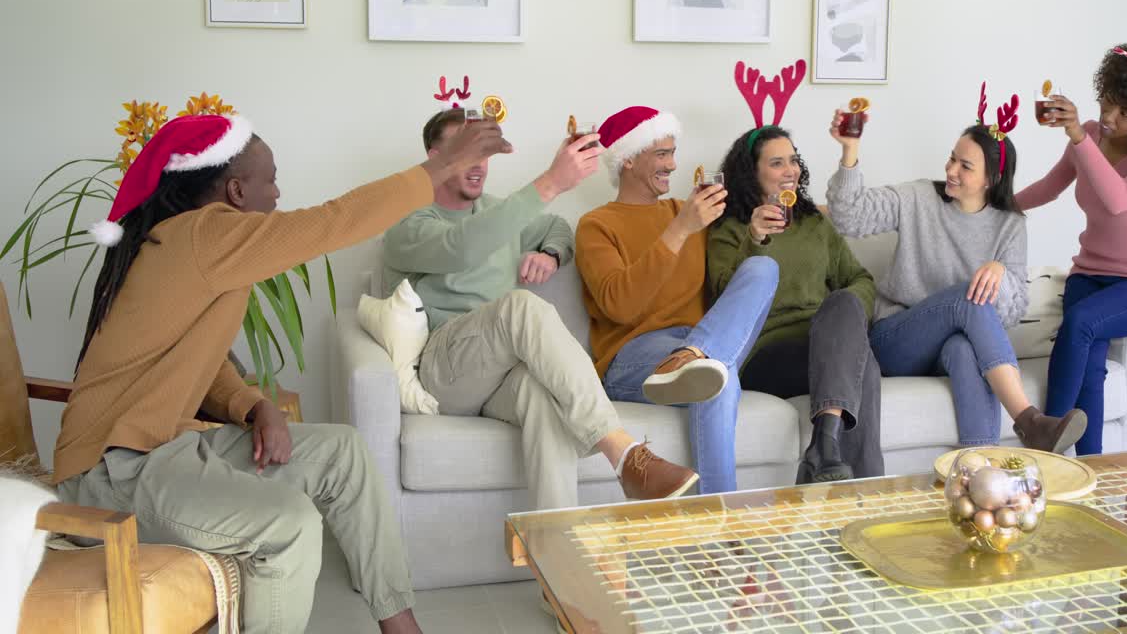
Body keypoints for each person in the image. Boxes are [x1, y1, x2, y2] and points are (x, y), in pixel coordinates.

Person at [58, 112, 511, 634]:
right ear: (234, 190)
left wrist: (254, 404)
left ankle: (401, 626)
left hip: (164, 449)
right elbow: (333, 221)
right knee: (289, 523)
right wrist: (445, 164)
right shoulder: (204, 234)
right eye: (269, 178)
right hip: (108, 474)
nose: (278, 192)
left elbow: (198, 364)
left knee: (343, 453)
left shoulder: (199, 245)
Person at [381, 108, 698, 511]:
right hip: (446, 369)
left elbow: (557, 228)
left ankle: (559, 543)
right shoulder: (408, 223)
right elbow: (463, 245)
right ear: (433, 157)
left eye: (484, 153)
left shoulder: (496, 213)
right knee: (520, 306)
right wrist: (550, 183)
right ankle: (623, 452)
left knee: (542, 399)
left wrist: (551, 253)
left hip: (500, 375)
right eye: (464, 153)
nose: (478, 166)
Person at [825, 85, 1087, 454]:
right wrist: (849, 151)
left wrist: (1001, 273)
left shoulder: (1009, 225)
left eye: (965, 166)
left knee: (965, 347)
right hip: (896, 340)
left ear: (990, 179)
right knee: (970, 298)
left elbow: (1012, 312)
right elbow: (848, 218)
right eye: (952, 159)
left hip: (947, 351)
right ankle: (1028, 420)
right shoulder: (917, 198)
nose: (950, 170)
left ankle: (979, 468)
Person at [575, 105, 779, 494]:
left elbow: (725, 289)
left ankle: (693, 358)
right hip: (632, 356)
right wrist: (679, 230)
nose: (673, 164)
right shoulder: (597, 224)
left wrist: (752, 235)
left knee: (762, 269)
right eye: (662, 154)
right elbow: (620, 305)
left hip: (698, 339)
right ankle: (720, 517)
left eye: (673, 152)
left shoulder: (684, 211)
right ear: (629, 159)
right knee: (718, 376)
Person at [1017, 44, 1127, 455]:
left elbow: (1119, 198)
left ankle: (1043, 448)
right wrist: (997, 203)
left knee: (1080, 323)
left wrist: (1080, 136)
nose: (1110, 118)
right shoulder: (1094, 134)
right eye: (1107, 104)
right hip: (1088, 275)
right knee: (1090, 372)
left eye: (1125, 112)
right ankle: (1091, 476)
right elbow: (1049, 187)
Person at [707, 125, 883, 483]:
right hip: (768, 353)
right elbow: (724, 297)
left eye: (793, 160)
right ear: (751, 174)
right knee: (864, 368)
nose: (791, 170)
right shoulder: (728, 228)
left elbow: (860, 278)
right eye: (776, 163)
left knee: (845, 303)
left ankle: (824, 448)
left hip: (827, 339)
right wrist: (755, 238)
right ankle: (864, 490)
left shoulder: (814, 222)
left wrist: (850, 315)